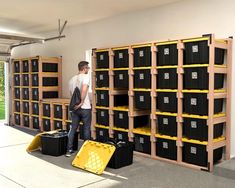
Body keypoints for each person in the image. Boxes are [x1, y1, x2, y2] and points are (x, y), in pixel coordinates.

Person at [66, 61, 91, 157]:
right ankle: (86, 151)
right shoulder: (85, 77)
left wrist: (76, 104)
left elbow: (71, 94)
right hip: (84, 107)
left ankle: (69, 150)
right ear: (84, 68)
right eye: (87, 68)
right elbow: (84, 89)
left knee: (73, 129)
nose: (88, 69)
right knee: (86, 128)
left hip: (74, 108)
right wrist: (81, 102)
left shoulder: (72, 79)